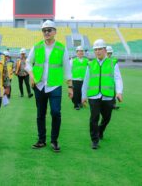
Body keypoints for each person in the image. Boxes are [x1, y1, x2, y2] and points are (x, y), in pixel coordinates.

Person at [26, 20, 73, 152]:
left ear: (55, 32)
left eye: (49, 30)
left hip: (55, 86)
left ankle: (54, 141)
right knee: (40, 114)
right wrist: (31, 75)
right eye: (44, 30)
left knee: (56, 112)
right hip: (39, 86)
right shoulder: (36, 47)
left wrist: (70, 86)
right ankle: (41, 140)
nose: (46, 32)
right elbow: (28, 63)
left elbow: (67, 68)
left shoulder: (61, 48)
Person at [82, 39, 123, 150]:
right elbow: (86, 80)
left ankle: (101, 130)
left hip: (107, 96)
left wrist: (119, 92)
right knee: (94, 118)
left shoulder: (112, 63)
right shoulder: (90, 64)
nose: (98, 51)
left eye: (100, 49)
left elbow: (118, 78)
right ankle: (94, 140)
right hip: (93, 96)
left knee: (107, 117)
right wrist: (83, 96)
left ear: (105, 50)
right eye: (96, 49)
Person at [70, 46, 89, 110]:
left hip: (83, 79)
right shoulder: (73, 60)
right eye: (79, 51)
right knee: (76, 92)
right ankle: (76, 105)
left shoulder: (87, 61)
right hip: (75, 79)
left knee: (82, 91)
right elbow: (69, 70)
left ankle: (80, 103)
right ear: (76, 52)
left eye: (82, 51)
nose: (81, 52)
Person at [106, 46, 120, 110]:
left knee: (113, 93)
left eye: (110, 53)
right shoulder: (102, 60)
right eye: (108, 53)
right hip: (104, 80)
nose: (109, 54)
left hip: (111, 80)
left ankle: (113, 104)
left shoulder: (114, 61)